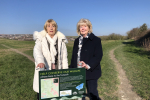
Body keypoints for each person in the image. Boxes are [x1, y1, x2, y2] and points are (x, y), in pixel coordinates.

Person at [33, 19, 68, 100]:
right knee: (43, 94)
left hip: (57, 71)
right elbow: (37, 51)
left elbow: (64, 58)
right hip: (44, 70)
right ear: (46, 28)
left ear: (56, 28)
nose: (51, 28)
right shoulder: (41, 39)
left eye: (53, 26)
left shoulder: (61, 41)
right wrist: (40, 61)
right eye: (49, 26)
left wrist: (65, 72)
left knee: (55, 94)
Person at [69, 18, 103, 100]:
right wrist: (71, 69)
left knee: (92, 92)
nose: (83, 28)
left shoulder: (96, 40)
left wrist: (88, 65)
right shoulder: (77, 41)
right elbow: (74, 56)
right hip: (78, 72)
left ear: (89, 28)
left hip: (91, 72)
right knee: (80, 94)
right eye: (81, 27)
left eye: (85, 26)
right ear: (78, 29)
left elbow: (98, 56)